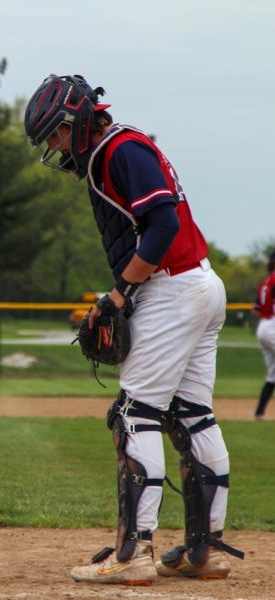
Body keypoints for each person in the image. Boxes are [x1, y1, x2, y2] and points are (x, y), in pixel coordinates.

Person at [24, 74, 243, 585]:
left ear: (78, 120)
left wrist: (120, 291)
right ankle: (204, 550)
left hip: (173, 289)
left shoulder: (119, 149)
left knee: (133, 413)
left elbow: (162, 225)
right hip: (195, 284)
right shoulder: (123, 147)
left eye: (55, 133)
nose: (54, 147)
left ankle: (134, 554)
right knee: (191, 415)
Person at [252, 251, 275, 420]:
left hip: (263, 327)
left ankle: (259, 413)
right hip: (273, 325)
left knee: (273, 375)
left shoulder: (266, 282)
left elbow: (255, 310)